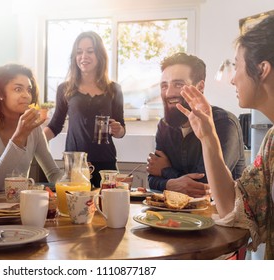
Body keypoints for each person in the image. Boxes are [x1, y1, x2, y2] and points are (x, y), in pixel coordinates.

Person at [177, 15, 274, 259]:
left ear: (262, 70)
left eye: (237, 66)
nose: (233, 78)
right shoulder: (271, 142)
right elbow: (233, 207)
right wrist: (208, 137)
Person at [146, 52, 245, 198]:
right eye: (164, 86)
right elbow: (152, 178)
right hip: (175, 214)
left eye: (178, 84)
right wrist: (169, 182)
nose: (168, 93)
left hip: (221, 216)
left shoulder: (224, 123)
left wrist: (166, 171)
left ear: (200, 87)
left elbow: (206, 186)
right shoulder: (164, 126)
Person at [0, 64, 62, 193]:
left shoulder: (34, 129)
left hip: (19, 207)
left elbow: (53, 173)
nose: (26, 95)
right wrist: (19, 136)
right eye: (18, 89)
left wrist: (74, 179)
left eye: (29, 90)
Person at [44, 31, 125, 188]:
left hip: (105, 162)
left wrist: (118, 129)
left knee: (106, 207)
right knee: (74, 209)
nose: (83, 56)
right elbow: (55, 125)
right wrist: (34, 141)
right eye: (79, 52)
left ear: (99, 55)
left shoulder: (114, 89)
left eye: (90, 51)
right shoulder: (65, 89)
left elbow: (121, 130)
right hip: (75, 163)